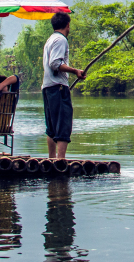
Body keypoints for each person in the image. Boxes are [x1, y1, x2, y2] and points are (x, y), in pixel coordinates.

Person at [42, 12, 85, 159]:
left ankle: (51, 158)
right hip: (58, 86)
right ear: (67, 25)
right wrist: (75, 71)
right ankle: (60, 160)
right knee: (63, 124)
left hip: (48, 86)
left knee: (52, 126)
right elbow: (55, 63)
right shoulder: (61, 40)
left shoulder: (50, 40)